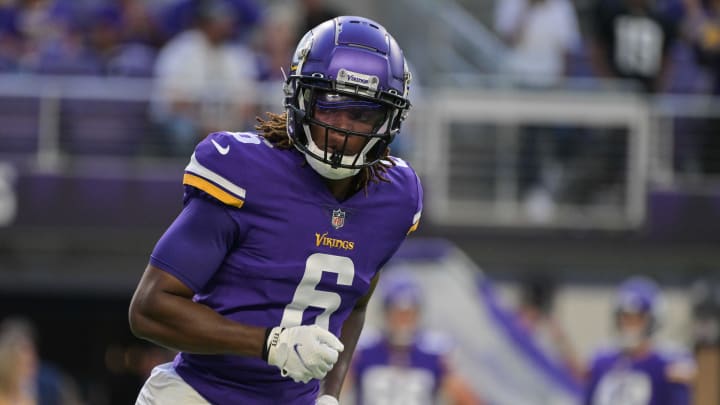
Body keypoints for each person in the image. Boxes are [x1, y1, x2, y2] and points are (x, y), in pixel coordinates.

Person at [129, 15, 420, 405]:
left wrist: (328, 395)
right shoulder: (244, 172)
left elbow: (356, 302)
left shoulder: (395, 196)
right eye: (329, 107)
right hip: (197, 395)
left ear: (389, 122)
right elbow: (149, 309)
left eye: (362, 115)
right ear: (299, 99)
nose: (341, 130)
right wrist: (268, 343)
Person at [349, 271, 482, 405]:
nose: (403, 321)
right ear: (385, 313)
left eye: (409, 314)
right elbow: (336, 389)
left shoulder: (435, 351)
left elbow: (465, 397)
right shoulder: (363, 348)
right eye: (398, 314)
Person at [583, 276, 696, 405]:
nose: (630, 325)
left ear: (653, 321)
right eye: (625, 317)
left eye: (638, 318)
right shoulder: (601, 359)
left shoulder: (670, 361)